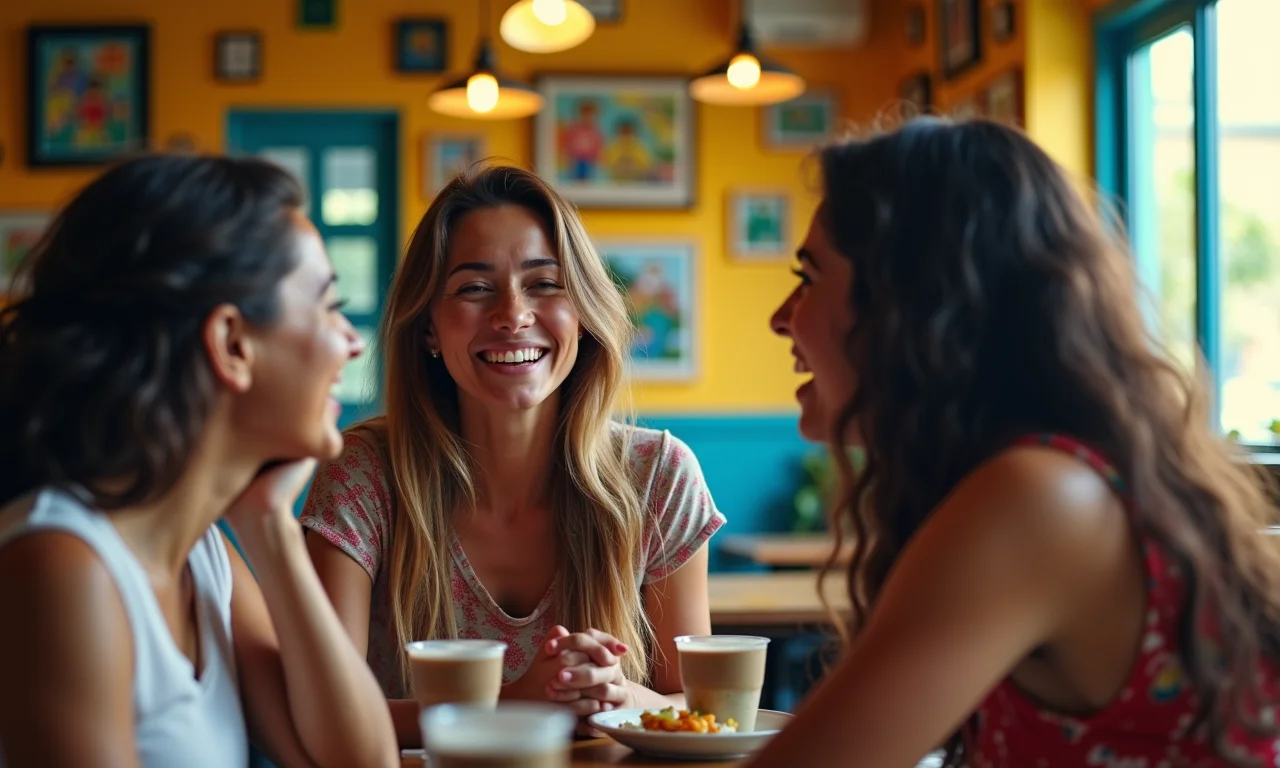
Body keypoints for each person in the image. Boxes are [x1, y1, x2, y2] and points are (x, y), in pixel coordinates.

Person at [747, 118, 1280, 767]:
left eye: (808, 277)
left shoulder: (1041, 497)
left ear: (909, 304)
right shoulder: (1057, 478)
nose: (779, 318)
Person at [302, 164, 724, 747]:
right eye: (475, 288)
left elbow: (699, 708)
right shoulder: (363, 474)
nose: (513, 315)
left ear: (584, 313)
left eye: (544, 283)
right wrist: (511, 706)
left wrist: (621, 699)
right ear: (428, 328)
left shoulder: (659, 475)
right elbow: (323, 714)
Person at [0, 154, 399, 768]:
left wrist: (270, 523)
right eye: (327, 305)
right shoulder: (64, 567)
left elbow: (360, 761)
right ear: (232, 344)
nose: (350, 340)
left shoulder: (201, 552)